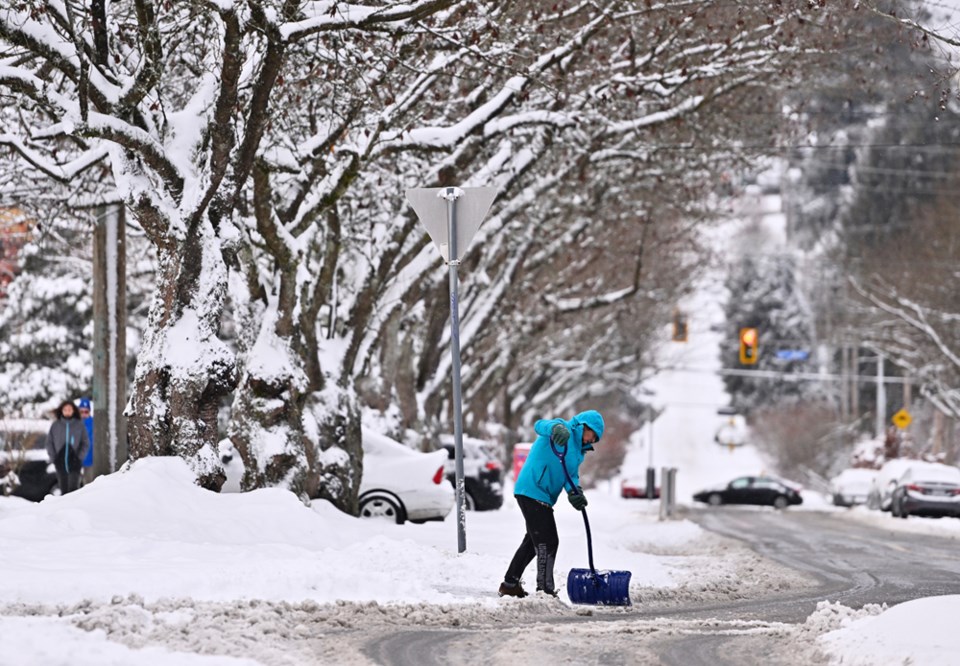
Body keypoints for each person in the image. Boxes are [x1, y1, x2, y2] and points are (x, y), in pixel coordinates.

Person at [499, 409, 605, 598]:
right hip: (531, 489)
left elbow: (570, 475)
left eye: (595, 439)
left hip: (544, 497)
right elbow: (540, 425)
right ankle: (545, 590)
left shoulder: (579, 453)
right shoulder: (562, 428)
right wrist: (555, 427)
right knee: (548, 541)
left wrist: (575, 492)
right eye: (593, 435)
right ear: (584, 426)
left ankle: (510, 584)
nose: (592, 441)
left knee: (533, 541)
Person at [45, 399, 91, 495]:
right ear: (61, 410)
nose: (67, 411)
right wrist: (54, 458)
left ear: (73, 410)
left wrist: (79, 457)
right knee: (63, 490)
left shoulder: (79, 425)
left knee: (73, 491)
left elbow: (85, 443)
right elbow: (49, 443)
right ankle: (64, 510)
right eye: (65, 409)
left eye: (69, 409)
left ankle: (74, 510)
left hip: (74, 464)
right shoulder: (55, 425)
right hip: (60, 464)